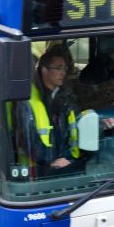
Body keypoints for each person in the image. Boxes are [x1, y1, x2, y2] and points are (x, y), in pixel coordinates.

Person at [22, 47, 81, 176]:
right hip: (37, 173)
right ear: (44, 70)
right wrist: (49, 164)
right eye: (58, 68)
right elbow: (27, 140)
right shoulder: (28, 99)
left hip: (64, 166)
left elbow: (73, 129)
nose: (63, 73)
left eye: (64, 68)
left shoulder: (66, 96)